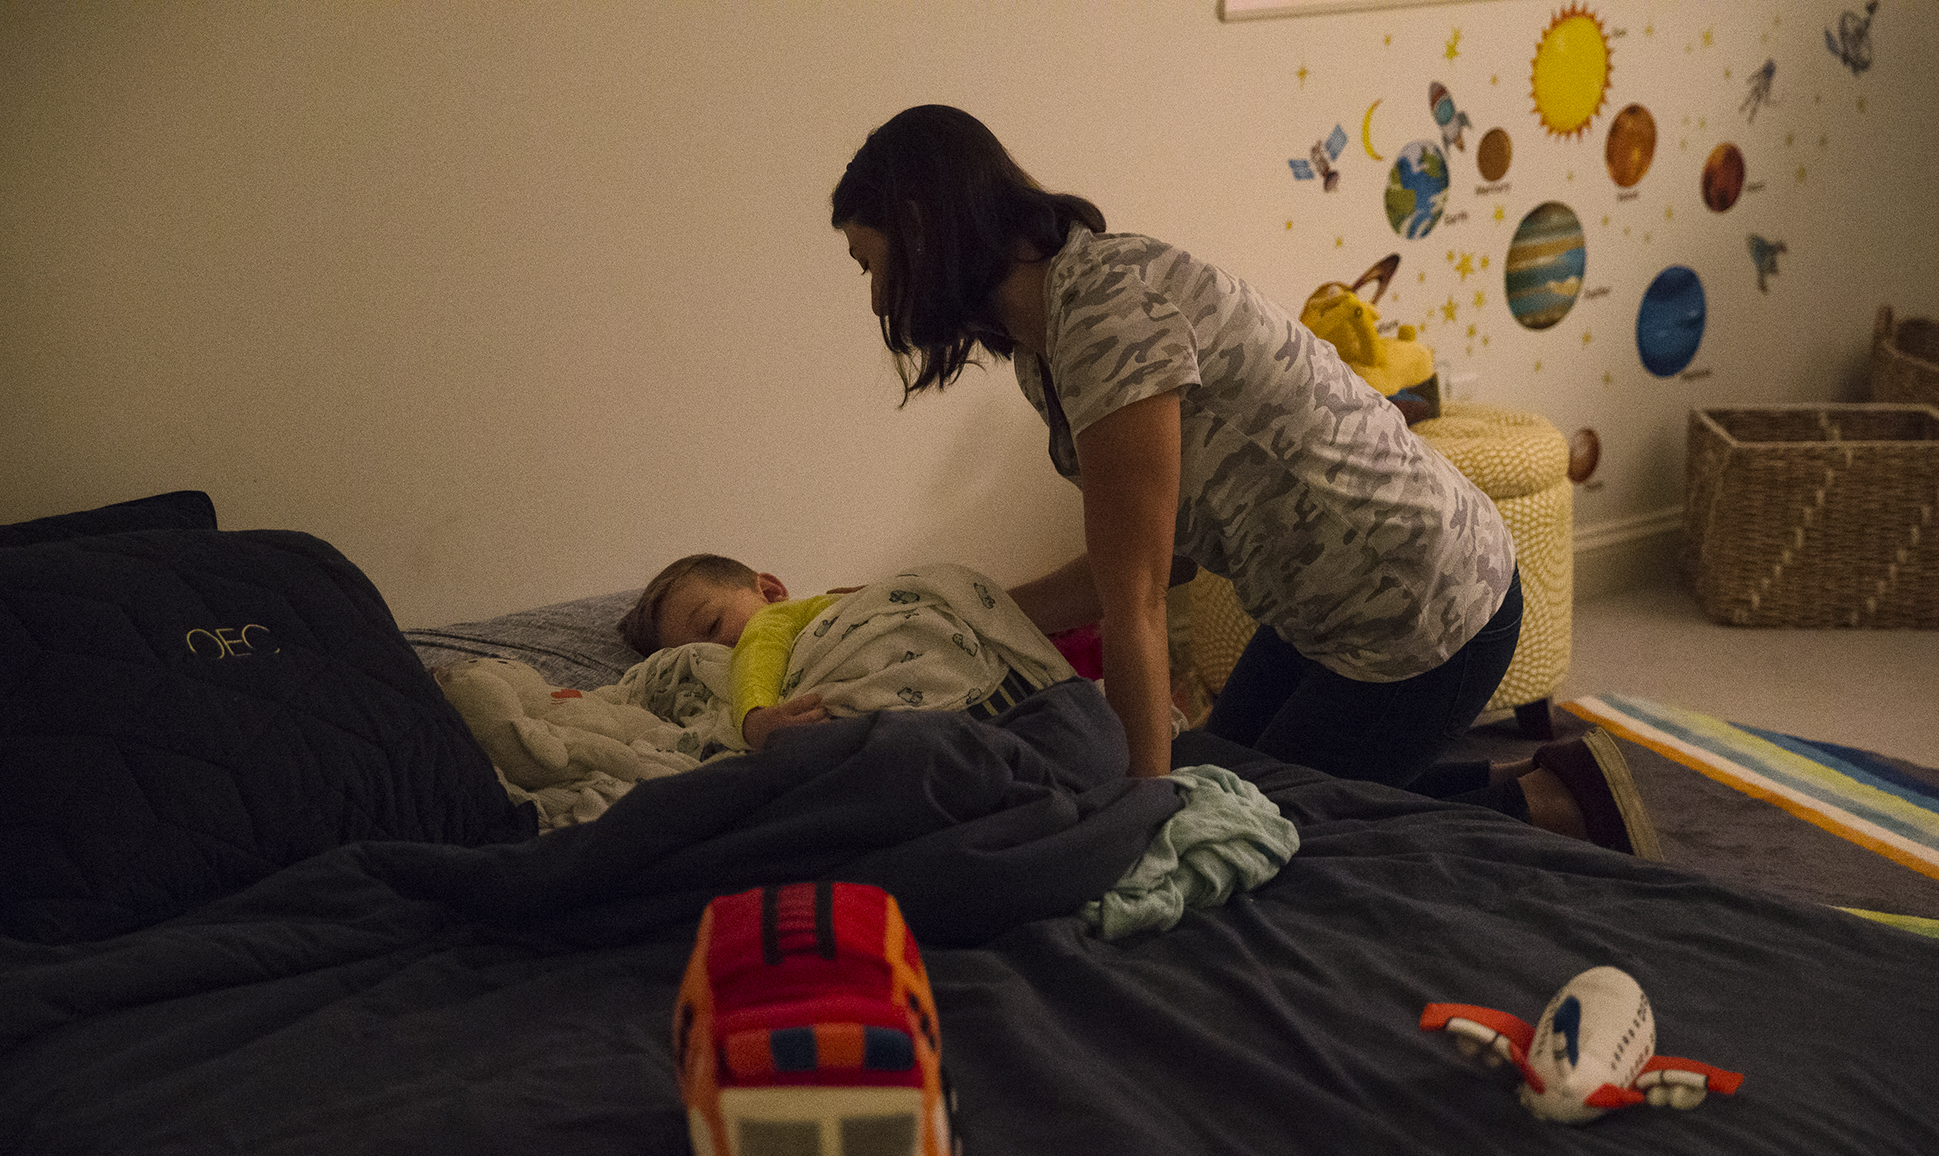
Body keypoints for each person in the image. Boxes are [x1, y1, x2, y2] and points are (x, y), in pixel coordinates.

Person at [827, 104, 1656, 857]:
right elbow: (1160, 555)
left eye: (871, 263)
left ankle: (1549, 814)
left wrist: (1141, 836)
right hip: (1325, 609)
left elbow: (1139, 599)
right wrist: (961, 614)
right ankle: (1557, 787)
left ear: (922, 228)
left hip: (1423, 598)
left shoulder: (1106, 312)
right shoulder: (1047, 346)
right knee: (1207, 774)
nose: (874, 301)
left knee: (1248, 833)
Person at [616, 554, 836, 751]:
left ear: (770, 592)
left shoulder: (780, 618)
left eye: (712, 624)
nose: (717, 651)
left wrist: (753, 722)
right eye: (699, 657)